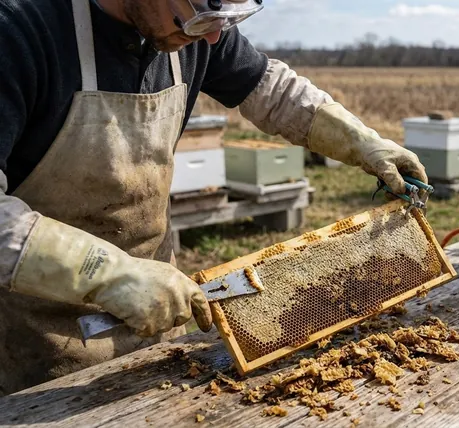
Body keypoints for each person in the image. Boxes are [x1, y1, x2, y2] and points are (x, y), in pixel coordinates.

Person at [0, 0, 428, 396]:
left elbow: (272, 91)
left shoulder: (195, 27)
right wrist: (109, 276)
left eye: (226, 18)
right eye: (200, 14)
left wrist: (364, 143)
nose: (212, 36)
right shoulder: (17, 31)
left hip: (160, 316)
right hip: (35, 341)